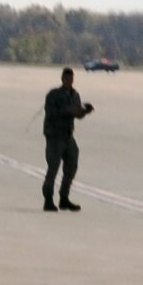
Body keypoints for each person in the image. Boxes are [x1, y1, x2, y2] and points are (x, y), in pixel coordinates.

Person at [41, 67, 94, 212]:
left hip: (68, 135)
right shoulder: (53, 95)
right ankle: (48, 200)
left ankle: (64, 198)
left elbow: (77, 114)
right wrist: (67, 110)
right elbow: (50, 112)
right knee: (53, 168)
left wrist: (84, 111)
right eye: (67, 78)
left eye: (71, 79)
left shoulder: (74, 95)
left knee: (71, 166)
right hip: (54, 136)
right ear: (62, 78)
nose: (70, 81)